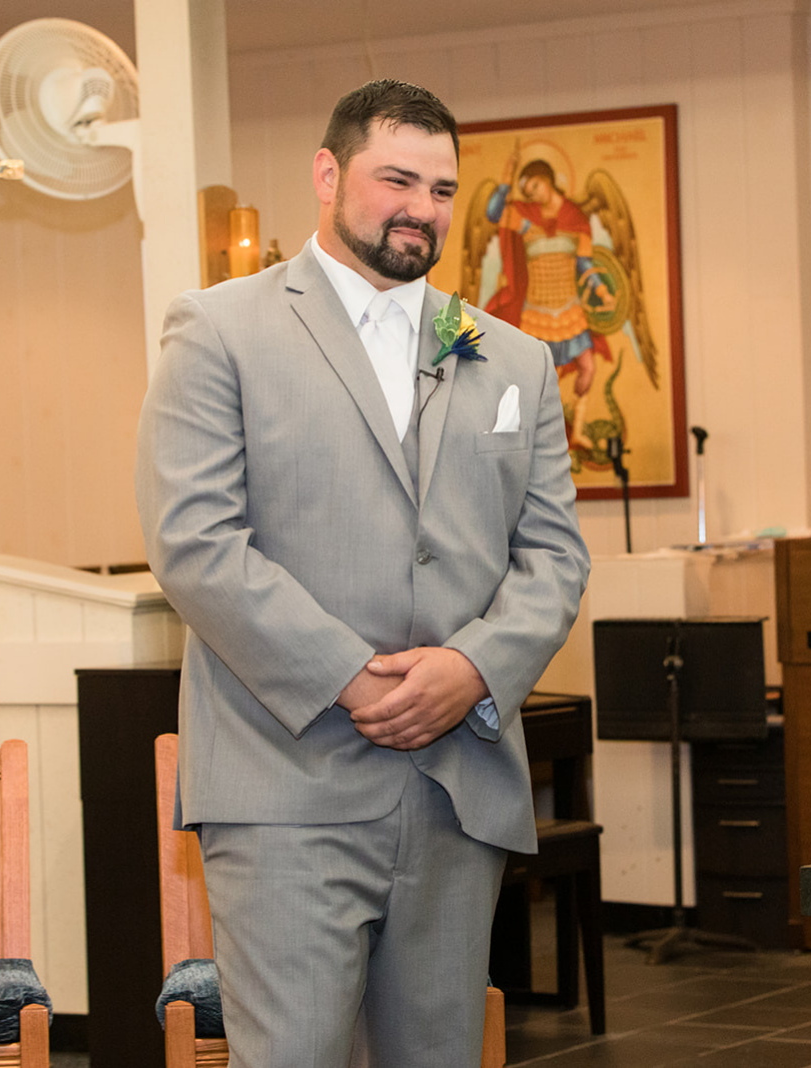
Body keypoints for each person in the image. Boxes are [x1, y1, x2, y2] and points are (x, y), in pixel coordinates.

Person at [135, 79, 589, 1067]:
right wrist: (352, 676)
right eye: (397, 179)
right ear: (328, 174)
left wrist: (471, 670)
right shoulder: (219, 331)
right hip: (286, 785)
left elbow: (554, 556)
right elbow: (196, 544)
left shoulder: (509, 360)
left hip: (453, 792)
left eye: (441, 188)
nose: (421, 208)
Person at [485, 152, 615, 445]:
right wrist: (505, 181)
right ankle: (546, 440)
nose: (531, 196)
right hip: (538, 311)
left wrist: (602, 291)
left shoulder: (576, 218)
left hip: (570, 309)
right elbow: (494, 212)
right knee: (544, 380)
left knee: (588, 367)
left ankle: (578, 432)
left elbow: (585, 263)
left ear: (546, 180)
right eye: (526, 193)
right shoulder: (525, 218)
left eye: (534, 188)